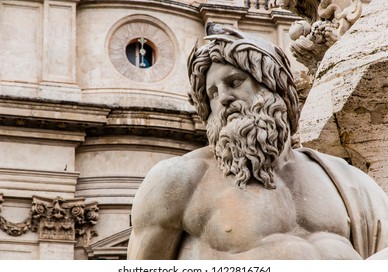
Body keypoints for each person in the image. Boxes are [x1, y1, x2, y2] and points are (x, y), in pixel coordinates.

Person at [127, 24, 388, 259]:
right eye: (212, 93)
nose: (224, 98)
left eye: (234, 82)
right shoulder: (179, 180)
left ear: (274, 87)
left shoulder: (346, 180)